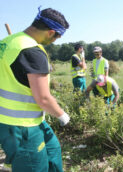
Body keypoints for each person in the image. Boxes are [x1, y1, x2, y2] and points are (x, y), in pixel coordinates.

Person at [0, 7, 70, 171]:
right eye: (57, 37)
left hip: (26, 121)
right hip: (22, 125)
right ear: (51, 32)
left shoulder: (7, 42)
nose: (55, 41)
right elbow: (43, 98)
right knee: (33, 166)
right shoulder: (31, 51)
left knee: (53, 151)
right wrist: (62, 115)